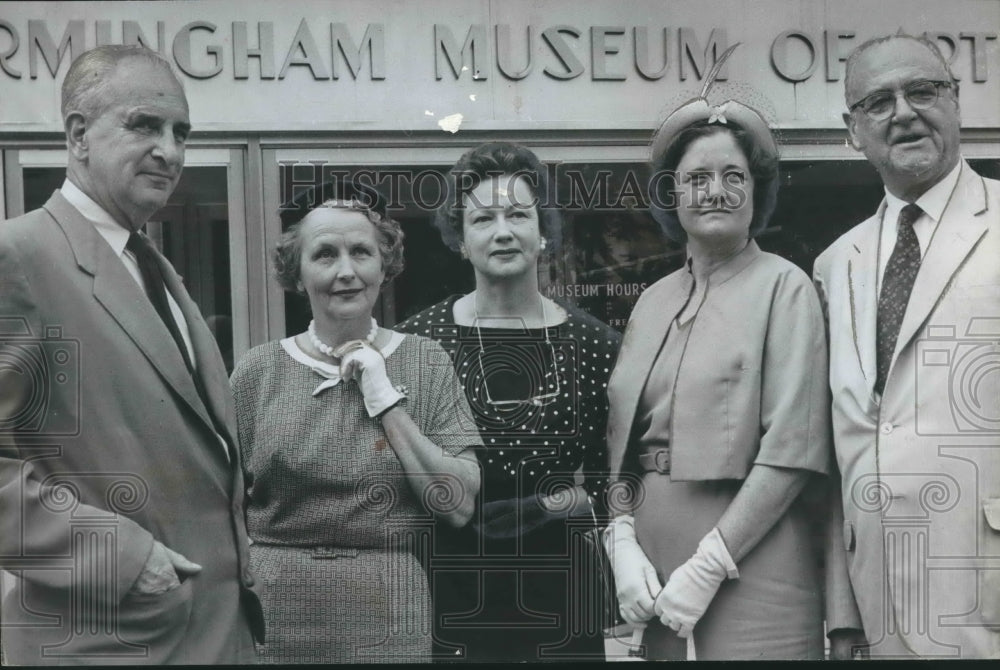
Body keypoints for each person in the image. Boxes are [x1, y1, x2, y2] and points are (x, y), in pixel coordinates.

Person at [0, 45, 262, 664]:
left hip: (210, 638)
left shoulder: (153, 266)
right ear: (78, 135)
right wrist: (121, 559)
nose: (169, 151)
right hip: (109, 641)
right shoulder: (20, 257)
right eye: (144, 125)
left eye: (180, 133)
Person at [604, 77, 834, 660]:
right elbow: (620, 439)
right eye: (696, 179)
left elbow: (793, 447)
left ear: (756, 191)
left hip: (752, 559)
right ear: (672, 195)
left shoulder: (785, 287)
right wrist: (621, 536)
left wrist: (710, 564)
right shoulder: (651, 301)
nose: (716, 192)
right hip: (654, 571)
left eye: (734, 177)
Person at [231, 180, 481, 663]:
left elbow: (458, 505)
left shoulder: (426, 363)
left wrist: (386, 400)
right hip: (274, 609)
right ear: (297, 273)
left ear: (384, 265)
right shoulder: (256, 372)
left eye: (362, 252)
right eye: (325, 254)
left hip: (388, 609)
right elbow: (218, 505)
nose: (346, 271)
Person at [396, 142, 621, 662]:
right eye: (483, 219)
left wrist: (551, 505)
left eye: (518, 215)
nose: (502, 231)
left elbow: (616, 483)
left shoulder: (595, 344)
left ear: (543, 233)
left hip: (561, 593)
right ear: (460, 239)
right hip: (448, 592)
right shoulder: (418, 342)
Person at [814, 33, 1000, 659]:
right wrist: (843, 615)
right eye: (878, 102)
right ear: (852, 130)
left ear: (956, 102)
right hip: (881, 615)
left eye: (922, 91)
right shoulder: (834, 265)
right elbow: (842, 453)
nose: (903, 113)